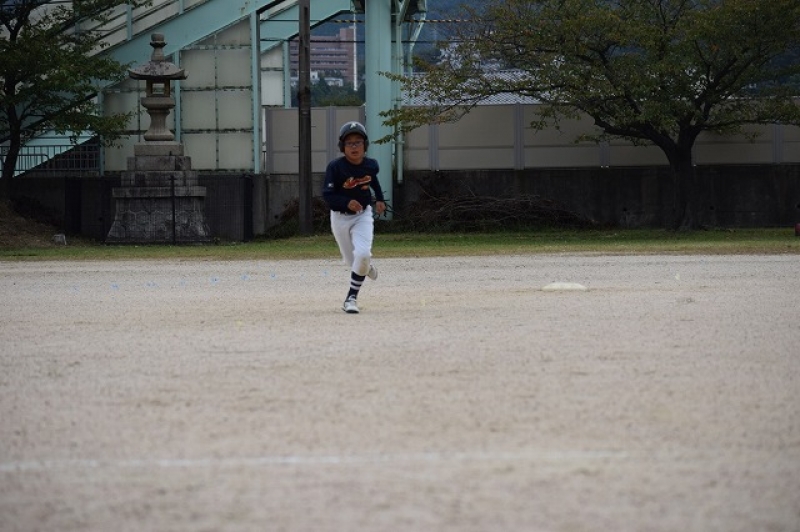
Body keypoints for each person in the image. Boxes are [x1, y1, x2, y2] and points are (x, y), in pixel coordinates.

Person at [323, 121, 387, 314]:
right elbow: (327, 195)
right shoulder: (335, 167)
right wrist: (346, 202)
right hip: (340, 218)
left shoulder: (371, 165)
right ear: (342, 146)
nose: (354, 146)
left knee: (363, 254)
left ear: (365, 145)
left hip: (362, 215)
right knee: (353, 262)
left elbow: (372, 180)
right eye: (349, 143)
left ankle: (351, 298)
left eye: (358, 142)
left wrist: (380, 199)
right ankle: (366, 268)